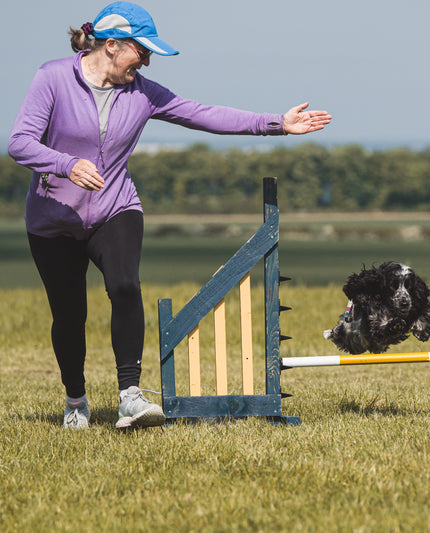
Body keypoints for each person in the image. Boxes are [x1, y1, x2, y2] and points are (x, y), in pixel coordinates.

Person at [8, 1, 332, 430]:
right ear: (111, 46)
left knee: (124, 285)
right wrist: (65, 164)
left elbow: (203, 114)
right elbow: (19, 142)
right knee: (69, 315)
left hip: (114, 207)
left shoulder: (142, 92)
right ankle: (75, 401)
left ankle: (130, 397)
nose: (146, 60)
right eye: (142, 51)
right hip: (53, 218)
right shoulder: (52, 78)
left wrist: (276, 123)